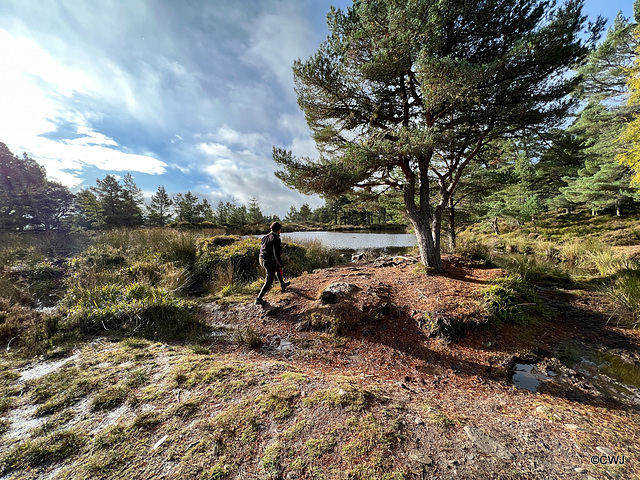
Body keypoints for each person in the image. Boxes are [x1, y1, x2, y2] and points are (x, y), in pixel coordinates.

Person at [256, 221, 290, 305]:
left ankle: (282, 284)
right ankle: (259, 299)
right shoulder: (275, 238)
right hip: (268, 261)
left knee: (277, 267)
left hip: (261, 259)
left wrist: (278, 264)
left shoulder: (265, 236)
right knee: (269, 281)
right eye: (280, 230)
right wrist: (280, 263)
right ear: (278, 230)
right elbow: (276, 253)